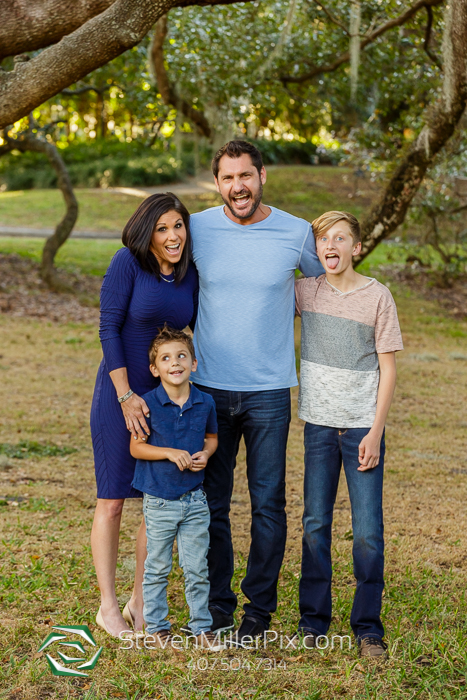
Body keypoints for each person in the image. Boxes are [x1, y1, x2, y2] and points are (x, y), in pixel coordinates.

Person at [189, 140, 324, 645]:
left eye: (245, 176)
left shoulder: (295, 232)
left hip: (270, 391)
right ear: (217, 183)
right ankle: (218, 608)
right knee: (212, 503)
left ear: (262, 175)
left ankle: (257, 612)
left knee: (268, 503)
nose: (237, 187)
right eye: (227, 178)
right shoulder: (198, 227)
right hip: (207, 390)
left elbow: (322, 288)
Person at [294, 210, 403, 657]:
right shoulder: (305, 291)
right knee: (315, 523)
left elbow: (389, 368)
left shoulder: (377, 296)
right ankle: (313, 621)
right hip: (318, 425)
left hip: (361, 427)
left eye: (341, 239)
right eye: (323, 240)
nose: (331, 246)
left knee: (367, 531)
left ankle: (367, 627)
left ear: (357, 248)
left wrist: (375, 432)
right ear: (316, 250)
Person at [90, 193, 198, 637]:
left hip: (165, 402)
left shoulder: (189, 275)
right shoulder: (127, 263)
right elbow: (108, 326)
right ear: (146, 232)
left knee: (157, 506)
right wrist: (125, 395)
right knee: (113, 501)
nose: (172, 236)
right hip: (120, 397)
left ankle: (139, 602)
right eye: (162, 228)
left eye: (178, 226)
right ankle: (109, 607)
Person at [129, 326, 223, 650]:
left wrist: (206, 455)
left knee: (197, 567)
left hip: (195, 499)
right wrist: (169, 452)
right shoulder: (148, 404)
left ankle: (202, 629)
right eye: (166, 358)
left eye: (182, 356)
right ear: (155, 369)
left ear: (193, 363)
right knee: (157, 567)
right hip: (159, 500)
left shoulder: (205, 402)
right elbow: (136, 448)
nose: (175, 363)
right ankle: (156, 628)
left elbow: (212, 438)